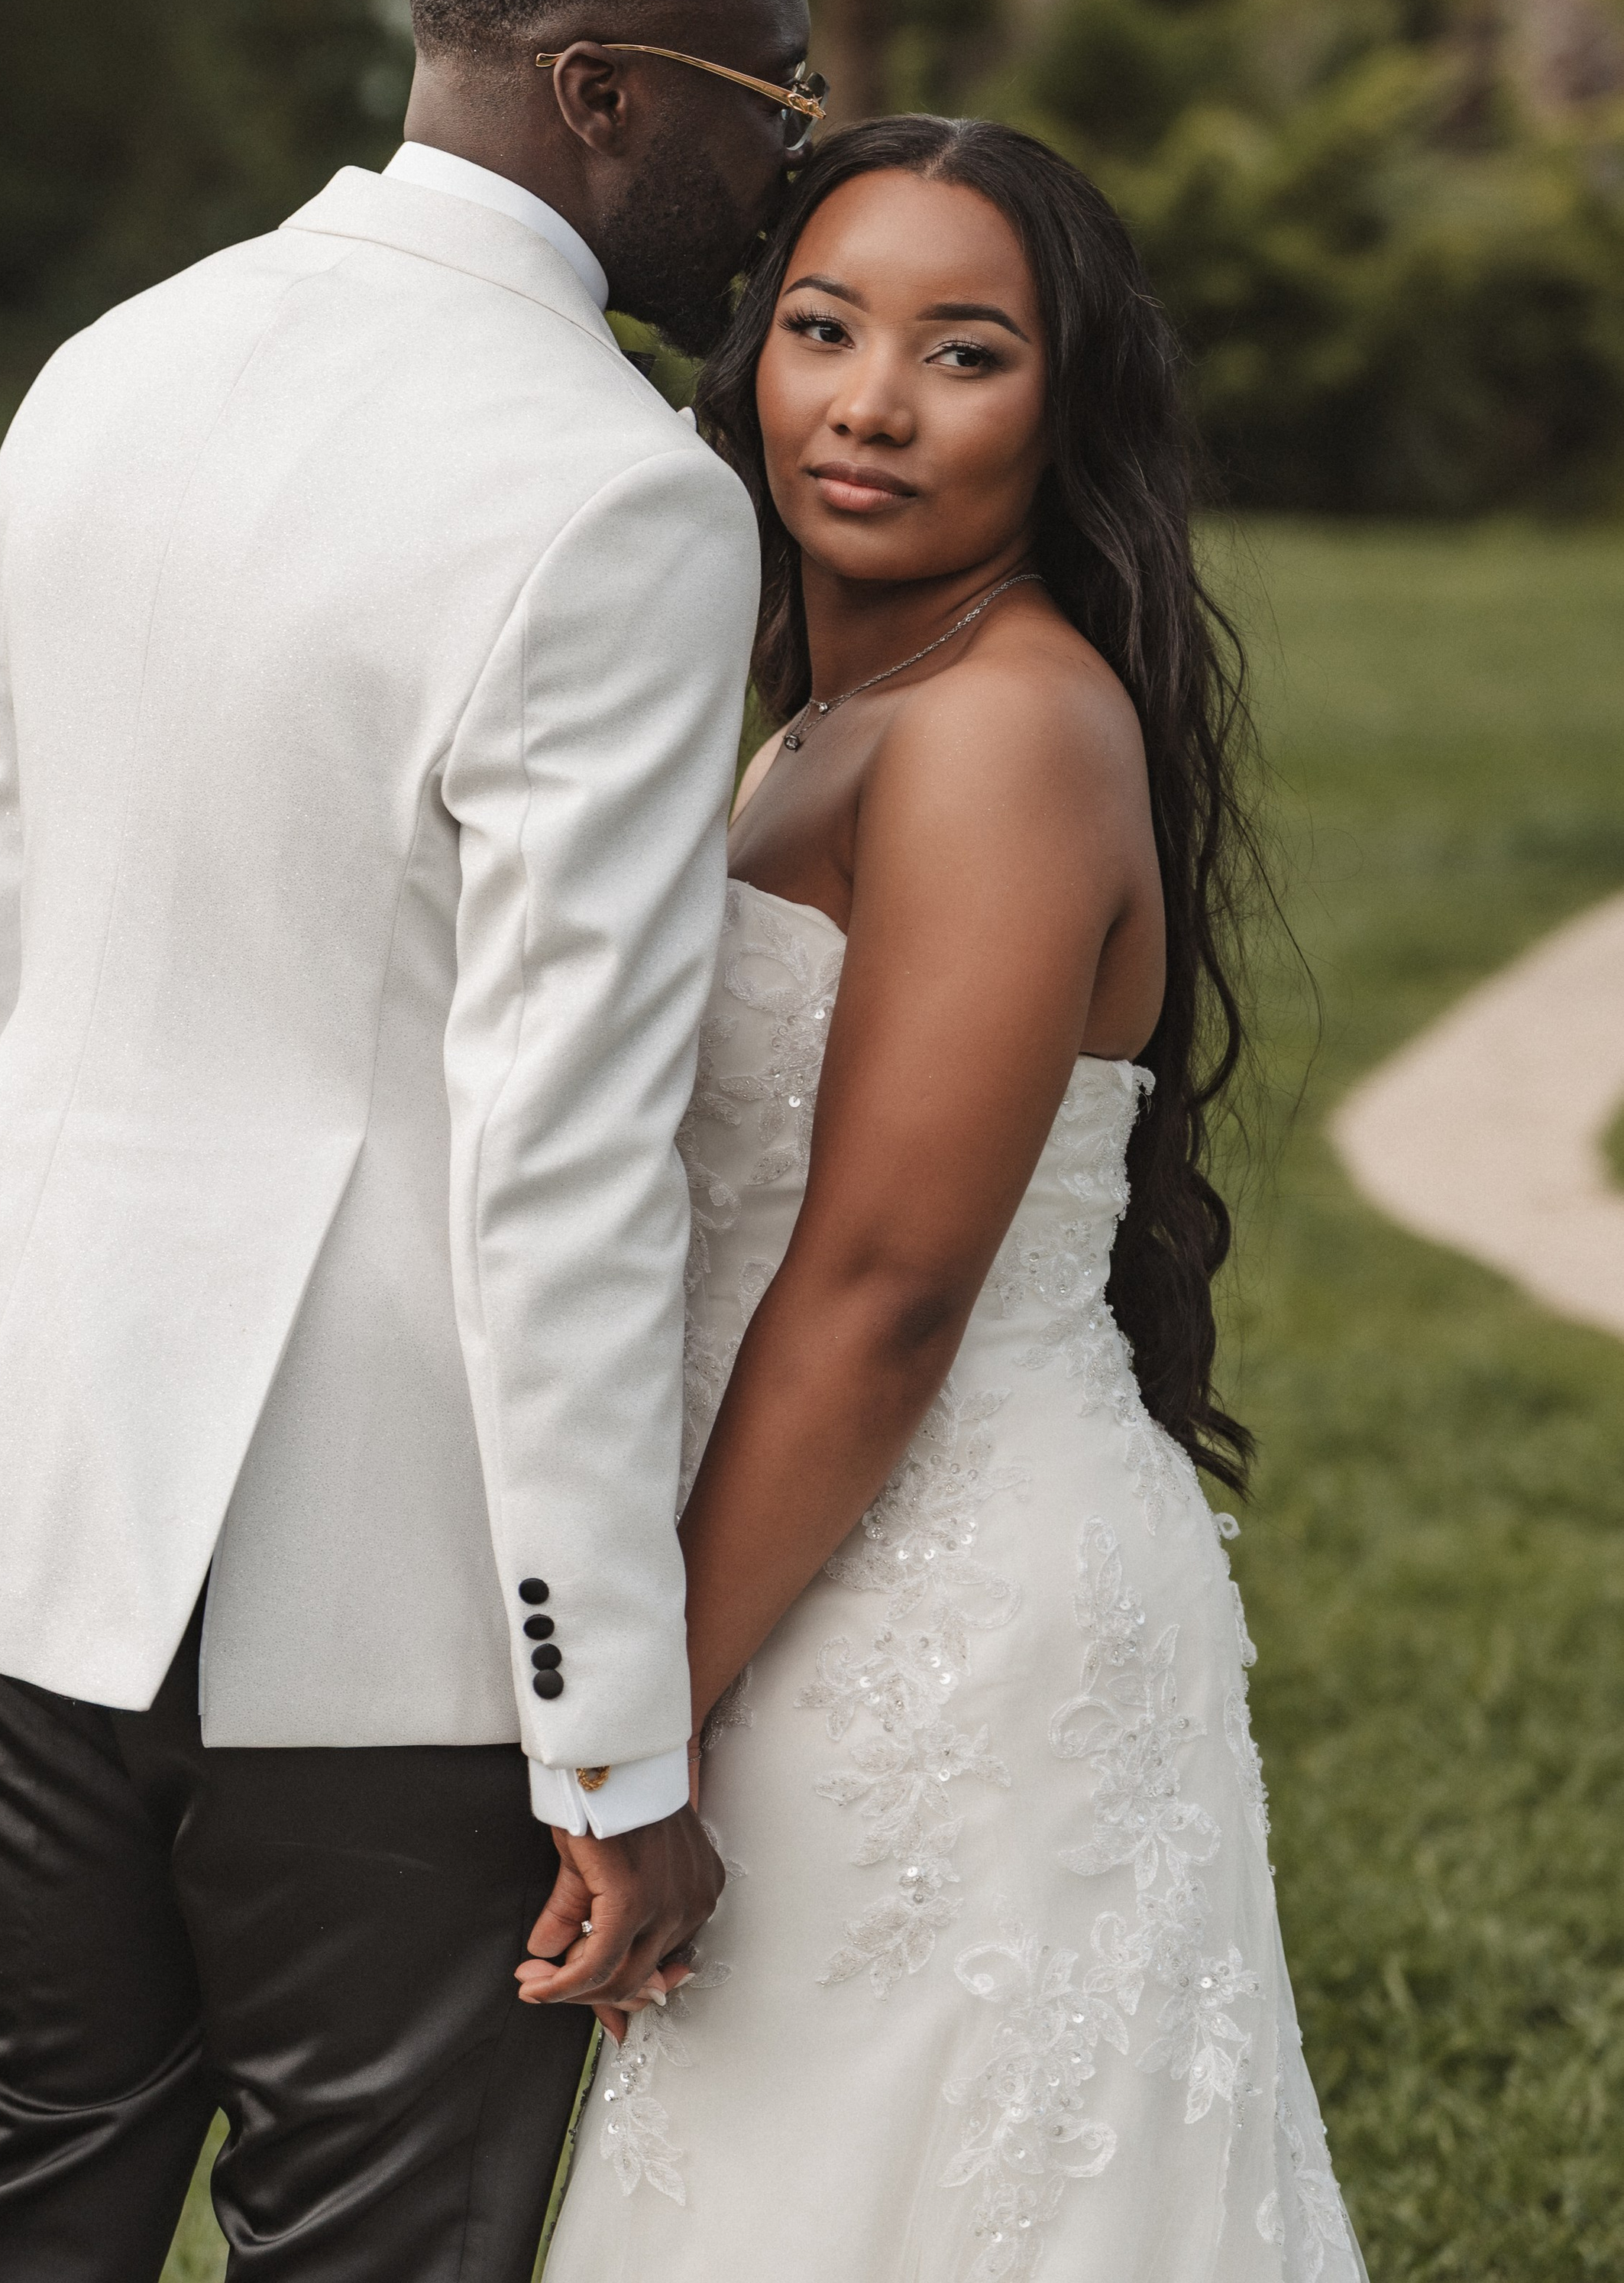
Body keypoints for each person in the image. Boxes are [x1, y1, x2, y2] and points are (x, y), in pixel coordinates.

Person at [0, 0, 823, 2283]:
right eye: (764, 97)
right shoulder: (620, 505)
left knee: (26, 2179)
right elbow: (560, 1163)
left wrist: (92, 1307)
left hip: (29, 1470)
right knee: (375, 2232)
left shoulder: (111, 365)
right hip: (388, 1575)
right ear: (599, 91)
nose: (792, 158)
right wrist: (610, 1738)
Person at [542, 116, 1369, 2282]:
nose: (871, 402)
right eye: (822, 328)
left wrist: (633, 1723)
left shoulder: (1004, 727)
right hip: (820, 1562)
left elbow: (893, 1281)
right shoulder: (837, 714)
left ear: (1065, 407)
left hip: (938, 1602)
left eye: (964, 350)